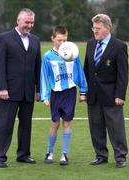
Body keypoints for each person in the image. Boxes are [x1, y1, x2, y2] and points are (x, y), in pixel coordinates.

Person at [0, 8, 41, 168]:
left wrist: (38, 89)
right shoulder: (4, 38)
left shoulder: (35, 40)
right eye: (27, 22)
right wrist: (2, 88)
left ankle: (24, 154)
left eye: (32, 22)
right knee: (5, 124)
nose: (30, 25)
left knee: (26, 124)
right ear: (18, 21)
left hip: (28, 91)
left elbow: (37, 66)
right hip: (9, 91)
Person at [83, 14, 129, 168]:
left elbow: (123, 74)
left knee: (116, 128)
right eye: (93, 28)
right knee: (95, 127)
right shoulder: (90, 44)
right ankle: (101, 155)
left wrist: (120, 95)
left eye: (98, 28)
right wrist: (84, 91)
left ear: (107, 29)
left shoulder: (119, 46)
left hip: (111, 95)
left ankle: (121, 157)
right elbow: (87, 70)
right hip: (93, 95)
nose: (94, 31)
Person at [40, 26, 88, 165]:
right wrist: (45, 96)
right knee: (55, 123)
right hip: (55, 94)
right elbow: (44, 76)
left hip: (70, 93)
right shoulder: (47, 56)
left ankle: (64, 155)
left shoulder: (73, 53)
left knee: (67, 123)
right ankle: (49, 153)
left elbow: (80, 72)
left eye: (65, 39)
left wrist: (83, 91)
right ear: (53, 38)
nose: (62, 42)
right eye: (59, 40)